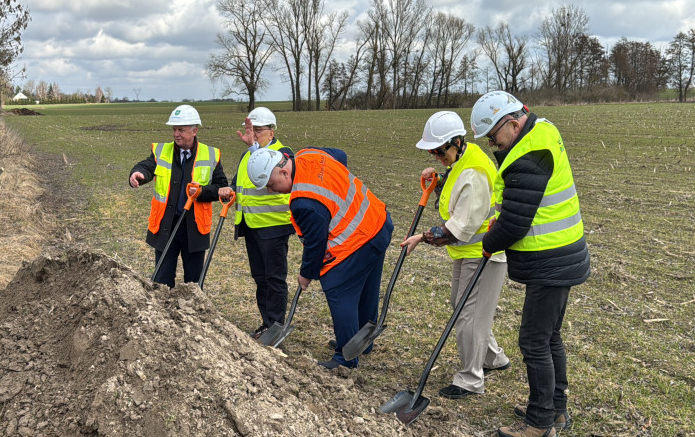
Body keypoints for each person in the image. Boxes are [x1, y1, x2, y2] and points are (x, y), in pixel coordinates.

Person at [471, 91, 590, 437]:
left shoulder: (526, 154)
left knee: (534, 340)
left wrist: (490, 241)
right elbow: (522, 207)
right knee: (549, 336)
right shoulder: (543, 129)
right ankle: (556, 410)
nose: (492, 144)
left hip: (550, 258)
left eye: (493, 136)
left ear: (511, 123)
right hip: (563, 252)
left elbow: (514, 225)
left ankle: (540, 422)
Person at [246, 146, 393, 369]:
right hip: (378, 222)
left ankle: (345, 359)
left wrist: (306, 274)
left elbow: (316, 244)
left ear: (284, 172)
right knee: (366, 288)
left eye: (272, 185)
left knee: (338, 289)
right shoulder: (309, 154)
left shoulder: (304, 202)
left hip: (358, 239)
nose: (271, 190)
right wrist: (334, 187)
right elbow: (341, 156)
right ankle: (361, 342)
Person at [401, 111, 509, 399]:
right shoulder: (462, 160)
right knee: (461, 306)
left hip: (484, 253)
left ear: (457, 142)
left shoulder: (474, 173)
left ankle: (471, 379)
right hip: (469, 250)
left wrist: (422, 238)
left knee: (468, 314)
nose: (437, 157)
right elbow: (455, 191)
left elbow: (456, 229)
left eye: (440, 151)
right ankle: (493, 358)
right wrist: (438, 180)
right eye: (432, 152)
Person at [129, 105, 228, 287]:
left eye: (181, 130)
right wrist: (138, 173)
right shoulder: (161, 151)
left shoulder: (211, 154)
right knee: (162, 282)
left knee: (193, 284)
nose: (176, 134)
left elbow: (222, 187)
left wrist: (202, 192)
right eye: (174, 129)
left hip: (194, 227)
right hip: (166, 225)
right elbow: (147, 166)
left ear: (194, 131)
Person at [217, 107, 294, 338]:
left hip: (273, 226)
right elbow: (239, 183)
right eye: (251, 129)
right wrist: (229, 189)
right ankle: (266, 323)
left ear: (272, 132)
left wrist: (253, 147)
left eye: (258, 130)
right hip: (251, 225)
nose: (253, 134)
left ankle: (275, 327)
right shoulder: (247, 156)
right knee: (260, 278)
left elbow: (270, 170)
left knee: (274, 279)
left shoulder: (283, 154)